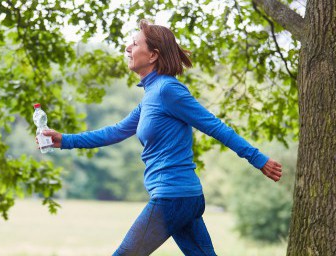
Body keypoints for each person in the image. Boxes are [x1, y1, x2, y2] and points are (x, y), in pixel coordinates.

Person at [37, 20, 283, 256]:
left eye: (135, 43)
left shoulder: (168, 90)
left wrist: (258, 159)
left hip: (173, 196)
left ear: (153, 55)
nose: (127, 48)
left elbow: (215, 126)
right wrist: (65, 140)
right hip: (182, 197)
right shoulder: (151, 95)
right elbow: (116, 131)